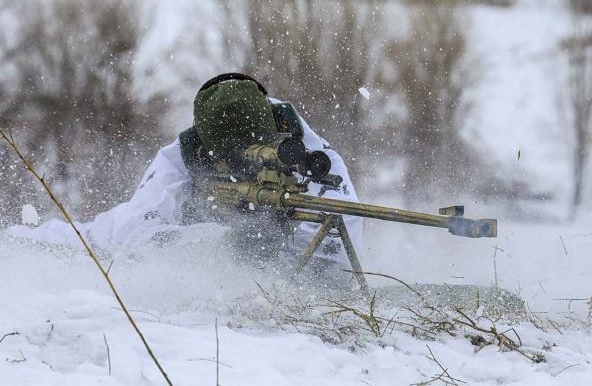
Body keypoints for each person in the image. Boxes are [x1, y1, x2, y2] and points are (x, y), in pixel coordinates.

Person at [8, 73, 363, 285]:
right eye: (226, 159)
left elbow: (341, 260)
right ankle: (13, 242)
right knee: (92, 239)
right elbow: (133, 233)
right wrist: (217, 244)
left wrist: (274, 246)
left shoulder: (316, 161)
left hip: (280, 275)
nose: (237, 166)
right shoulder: (183, 155)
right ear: (208, 146)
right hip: (203, 249)